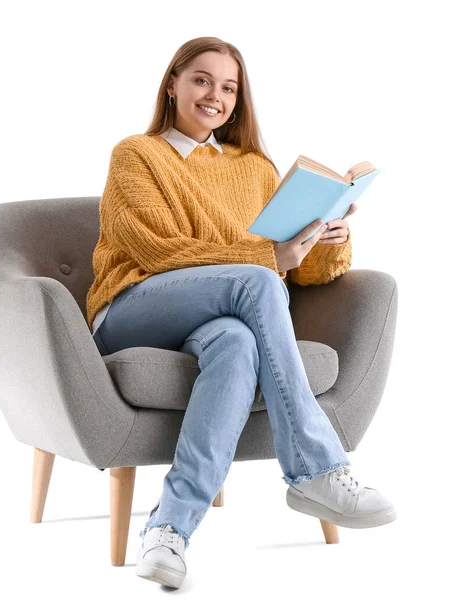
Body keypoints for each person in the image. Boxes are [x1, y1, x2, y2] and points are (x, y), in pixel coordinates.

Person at [86, 36, 396, 589]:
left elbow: (293, 273)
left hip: (216, 316)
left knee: (237, 343)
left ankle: (168, 532)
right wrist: (265, 259)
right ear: (173, 83)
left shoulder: (254, 169)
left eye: (228, 88)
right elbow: (160, 253)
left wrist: (329, 238)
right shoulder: (137, 154)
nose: (215, 96)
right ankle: (317, 468)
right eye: (202, 80)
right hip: (133, 307)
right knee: (254, 281)